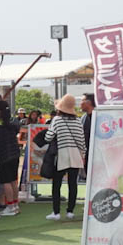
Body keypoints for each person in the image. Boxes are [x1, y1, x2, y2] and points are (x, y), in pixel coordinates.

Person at [45, 94, 86, 222]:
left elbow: (48, 137)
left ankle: (56, 212)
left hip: (61, 155)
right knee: (73, 184)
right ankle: (70, 211)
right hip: (75, 155)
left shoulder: (57, 120)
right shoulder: (78, 121)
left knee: (56, 184)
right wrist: (83, 155)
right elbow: (82, 141)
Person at [0, 100, 22, 217]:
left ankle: (10, 207)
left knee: (6, 181)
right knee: (13, 181)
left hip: (4, 156)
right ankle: (15, 205)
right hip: (15, 154)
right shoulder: (13, 123)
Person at [80, 93, 96, 176]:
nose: (80, 103)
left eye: (82, 100)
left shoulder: (100, 116)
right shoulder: (83, 118)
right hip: (87, 155)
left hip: (98, 155)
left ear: (89, 102)